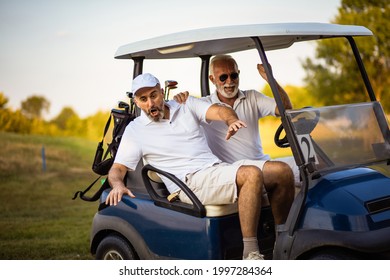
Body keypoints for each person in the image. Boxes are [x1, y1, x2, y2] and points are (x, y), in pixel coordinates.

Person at [106, 73, 267, 260]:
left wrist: (230, 120)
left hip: (214, 169)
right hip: (187, 182)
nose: (150, 103)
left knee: (279, 172)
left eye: (153, 95)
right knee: (251, 175)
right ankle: (251, 255)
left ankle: (281, 242)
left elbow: (219, 110)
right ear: (136, 102)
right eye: (143, 99)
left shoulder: (185, 104)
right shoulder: (136, 130)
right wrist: (117, 184)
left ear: (161, 91)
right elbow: (118, 168)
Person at [174, 55, 296, 229]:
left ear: (239, 74)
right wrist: (180, 99)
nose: (229, 81)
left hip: (262, 162)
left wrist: (270, 79)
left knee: (315, 164)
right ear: (212, 79)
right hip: (233, 169)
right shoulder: (204, 106)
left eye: (234, 75)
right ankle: (284, 236)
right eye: (223, 77)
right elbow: (175, 119)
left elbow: (286, 109)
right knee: (282, 171)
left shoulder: (252, 97)